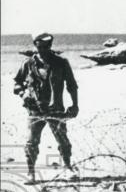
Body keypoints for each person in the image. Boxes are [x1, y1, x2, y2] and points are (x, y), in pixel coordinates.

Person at [13, 32, 79, 181]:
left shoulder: (61, 63)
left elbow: (72, 86)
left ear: (50, 46)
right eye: (39, 47)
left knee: (63, 140)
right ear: (35, 45)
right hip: (34, 110)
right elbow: (17, 84)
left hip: (56, 110)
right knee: (31, 142)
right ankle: (31, 172)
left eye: (45, 47)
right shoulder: (28, 63)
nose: (42, 50)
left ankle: (68, 167)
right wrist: (24, 94)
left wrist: (75, 105)